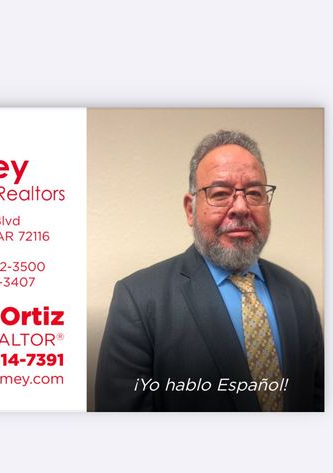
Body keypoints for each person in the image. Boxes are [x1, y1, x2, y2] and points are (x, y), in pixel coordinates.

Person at [95, 130, 324, 411]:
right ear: (191, 209)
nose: (240, 207)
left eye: (254, 193)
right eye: (220, 193)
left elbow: (316, 401)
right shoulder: (139, 300)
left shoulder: (298, 294)